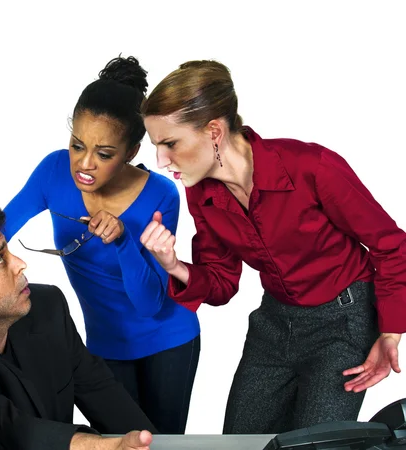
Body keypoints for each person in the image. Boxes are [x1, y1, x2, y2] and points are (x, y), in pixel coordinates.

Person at [139, 60, 405, 434]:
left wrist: (390, 331)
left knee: (314, 443)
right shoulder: (201, 194)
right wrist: (173, 265)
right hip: (275, 323)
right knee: (240, 442)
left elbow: (392, 247)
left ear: (214, 131)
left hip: (342, 323)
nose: (161, 160)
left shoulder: (312, 167)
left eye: (170, 143)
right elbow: (221, 283)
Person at [3, 56, 200, 434]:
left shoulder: (161, 194)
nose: (85, 164)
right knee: (117, 443)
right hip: (105, 343)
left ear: (131, 152)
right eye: (77, 145)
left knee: (162, 446)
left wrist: (124, 240)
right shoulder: (53, 171)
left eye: (104, 154)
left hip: (168, 339)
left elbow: (150, 303)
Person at [0, 203, 156, 450]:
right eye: (0, 259)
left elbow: (103, 394)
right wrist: (98, 447)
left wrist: (150, 444)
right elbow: (1, 427)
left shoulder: (47, 308)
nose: (20, 263)